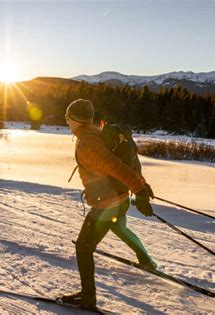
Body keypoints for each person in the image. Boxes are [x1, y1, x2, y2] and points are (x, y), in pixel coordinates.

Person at [62, 99, 156, 310]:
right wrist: (140, 186)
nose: (66, 122)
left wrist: (140, 191)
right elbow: (124, 164)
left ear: (75, 120)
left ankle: (88, 298)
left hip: (107, 205)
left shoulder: (88, 143)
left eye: (67, 118)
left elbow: (115, 166)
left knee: (83, 247)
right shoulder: (96, 133)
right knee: (120, 228)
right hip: (120, 201)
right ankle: (146, 261)